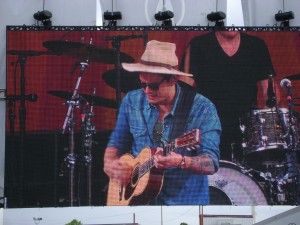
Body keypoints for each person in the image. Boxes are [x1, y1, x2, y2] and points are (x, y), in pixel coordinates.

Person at [103, 40, 221, 205]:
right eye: (143, 84)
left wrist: (182, 161)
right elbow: (116, 142)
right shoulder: (131, 100)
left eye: (153, 86)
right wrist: (110, 165)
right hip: (138, 204)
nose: (147, 91)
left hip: (184, 205)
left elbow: (211, 163)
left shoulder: (202, 108)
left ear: (173, 79)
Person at [181, 31, 280, 162]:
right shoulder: (198, 45)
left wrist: (262, 126)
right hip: (209, 128)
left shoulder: (256, 45)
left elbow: (270, 95)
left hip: (247, 130)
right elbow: (184, 92)